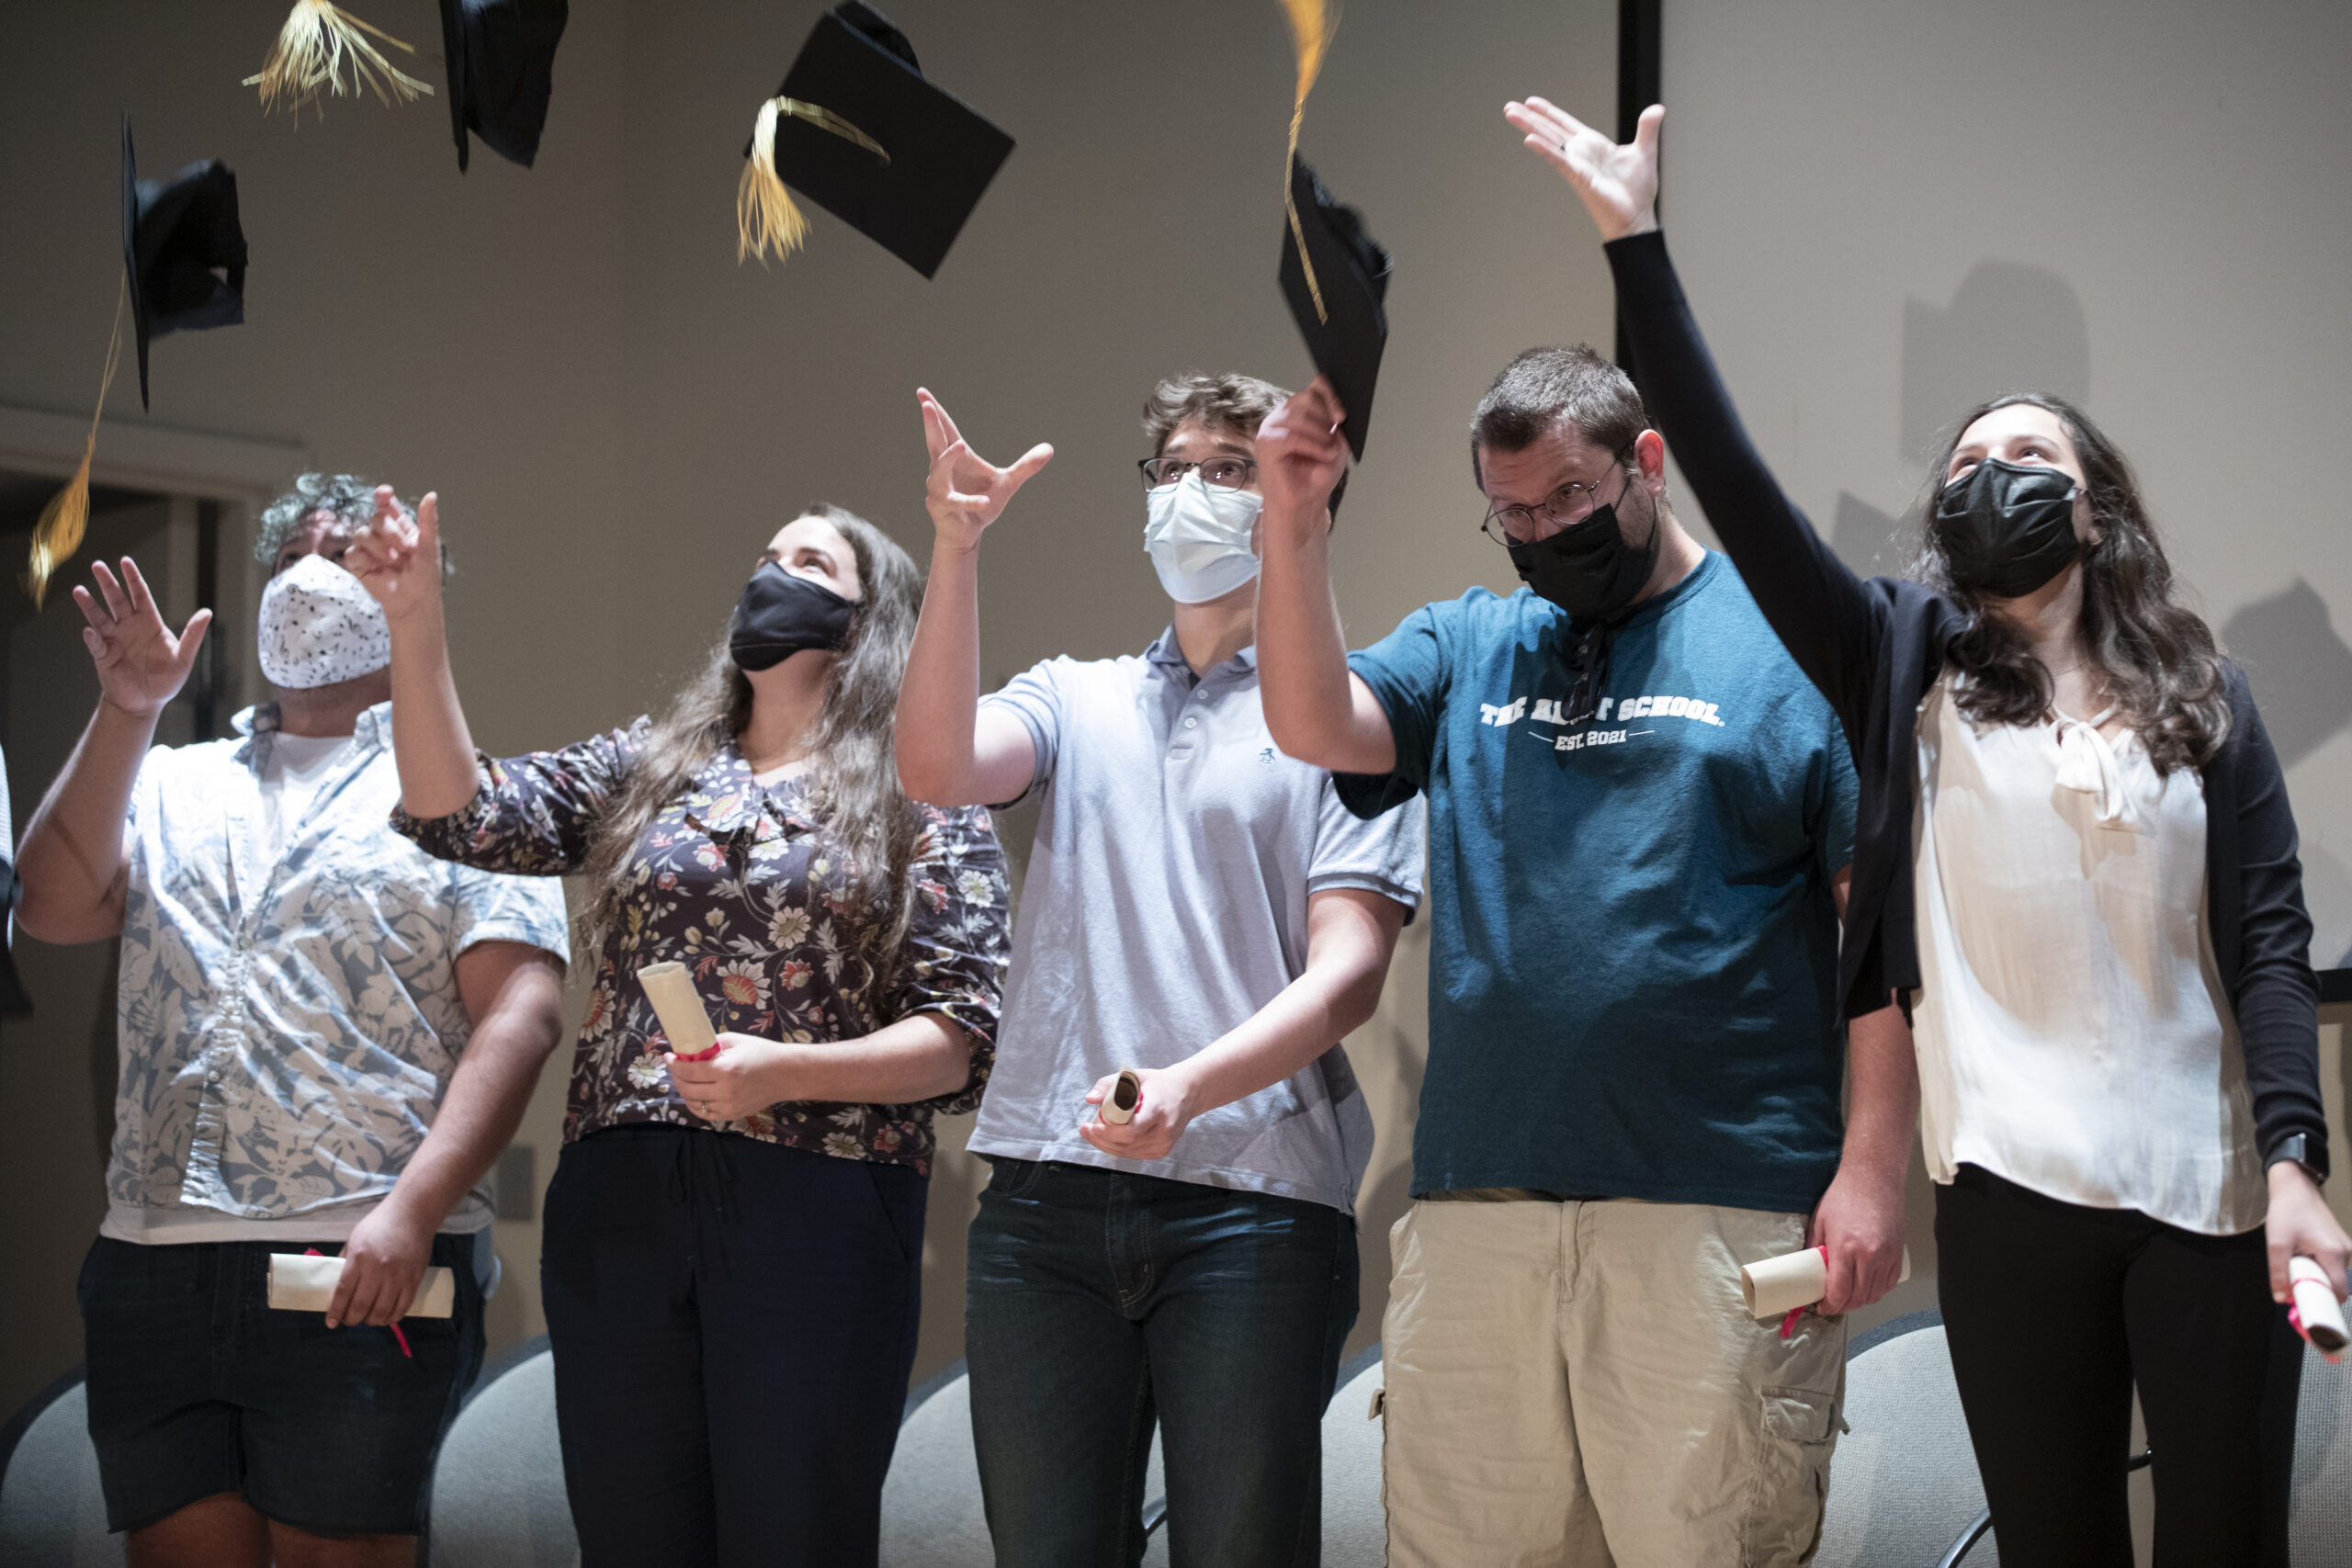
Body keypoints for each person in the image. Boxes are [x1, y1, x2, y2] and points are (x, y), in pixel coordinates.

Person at [1521, 97, 2352, 1565]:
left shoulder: (2207, 696)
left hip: (2214, 1191)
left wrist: (2296, 1160)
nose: (1986, 476)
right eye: (1964, 465)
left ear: (2093, 511)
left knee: (2228, 1539)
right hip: (2013, 1198)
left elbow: (2273, 947)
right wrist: (1635, 244)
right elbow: (1738, 484)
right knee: (2053, 1539)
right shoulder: (1900, 662)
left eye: (2026, 454)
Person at [1250, 273, 1917, 1561]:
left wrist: (1873, 1169)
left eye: (1568, 497)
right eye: (1512, 513)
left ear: (1644, 464)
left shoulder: (1791, 644)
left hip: (1712, 1212)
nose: (1544, 531)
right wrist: (1294, 522)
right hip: (1480, 1213)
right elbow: (1312, 720)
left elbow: (1875, 944)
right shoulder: (1471, 641)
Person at [347, 485, 1010, 1568]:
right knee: (632, 1529)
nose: (772, 576)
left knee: (792, 1529)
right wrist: (413, 622)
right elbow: (459, 812)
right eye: (765, 556)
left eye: (811, 564)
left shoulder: (925, 783)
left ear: (867, 622)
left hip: (819, 1196)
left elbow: (962, 1034)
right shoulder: (653, 764)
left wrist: (784, 1072)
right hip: (623, 1190)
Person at [894, 376, 1425, 1567]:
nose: (1192, 491)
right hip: (1045, 1194)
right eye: (1174, 468)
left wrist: (1189, 1085)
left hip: (1252, 1204)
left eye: (1229, 467)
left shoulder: (1353, 724)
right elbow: (934, 765)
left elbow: (1348, 973)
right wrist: (956, 547)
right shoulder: (1075, 694)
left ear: (1289, 493)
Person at [16, 473, 571, 1568]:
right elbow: (51, 906)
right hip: (154, 1257)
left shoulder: (470, 796)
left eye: (345, 555)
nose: (311, 577)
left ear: (403, 587)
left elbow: (523, 1013)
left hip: (362, 1254)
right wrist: (128, 708)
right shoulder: (170, 780)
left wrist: (414, 1212)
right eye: (290, 558)